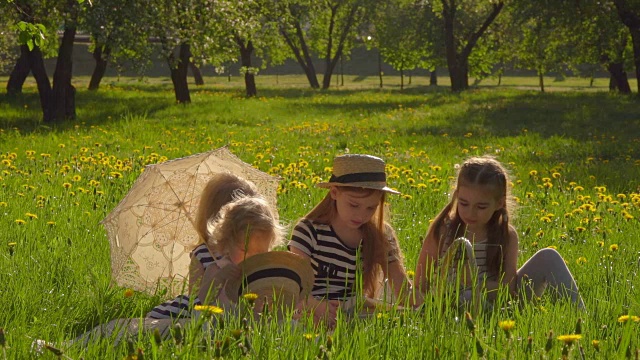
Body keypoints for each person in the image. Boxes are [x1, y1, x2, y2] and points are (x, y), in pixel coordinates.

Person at [39, 194, 284, 350]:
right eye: (244, 249)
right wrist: (218, 279)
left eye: (259, 253)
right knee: (129, 331)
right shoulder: (216, 266)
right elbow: (204, 306)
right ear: (226, 242)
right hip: (182, 314)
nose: (252, 258)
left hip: (226, 330)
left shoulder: (261, 271)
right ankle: (66, 346)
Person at [415, 155, 585, 311]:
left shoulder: (506, 235)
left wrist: (473, 282)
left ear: (499, 203)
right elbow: (420, 285)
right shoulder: (443, 231)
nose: (470, 213)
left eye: (481, 207)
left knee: (549, 257)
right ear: (456, 195)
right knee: (467, 297)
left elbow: (508, 291)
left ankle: (579, 319)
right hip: (450, 305)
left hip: (496, 305)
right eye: (464, 203)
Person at [288, 154, 417, 328]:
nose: (361, 215)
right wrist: (317, 306)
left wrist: (428, 308)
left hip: (354, 311)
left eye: (371, 208)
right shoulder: (309, 230)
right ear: (334, 192)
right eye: (354, 205)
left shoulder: (380, 234)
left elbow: (402, 289)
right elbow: (294, 284)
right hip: (311, 308)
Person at [146, 173, 262, 319]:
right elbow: (196, 299)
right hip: (207, 313)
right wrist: (218, 279)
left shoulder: (254, 252)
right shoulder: (203, 255)